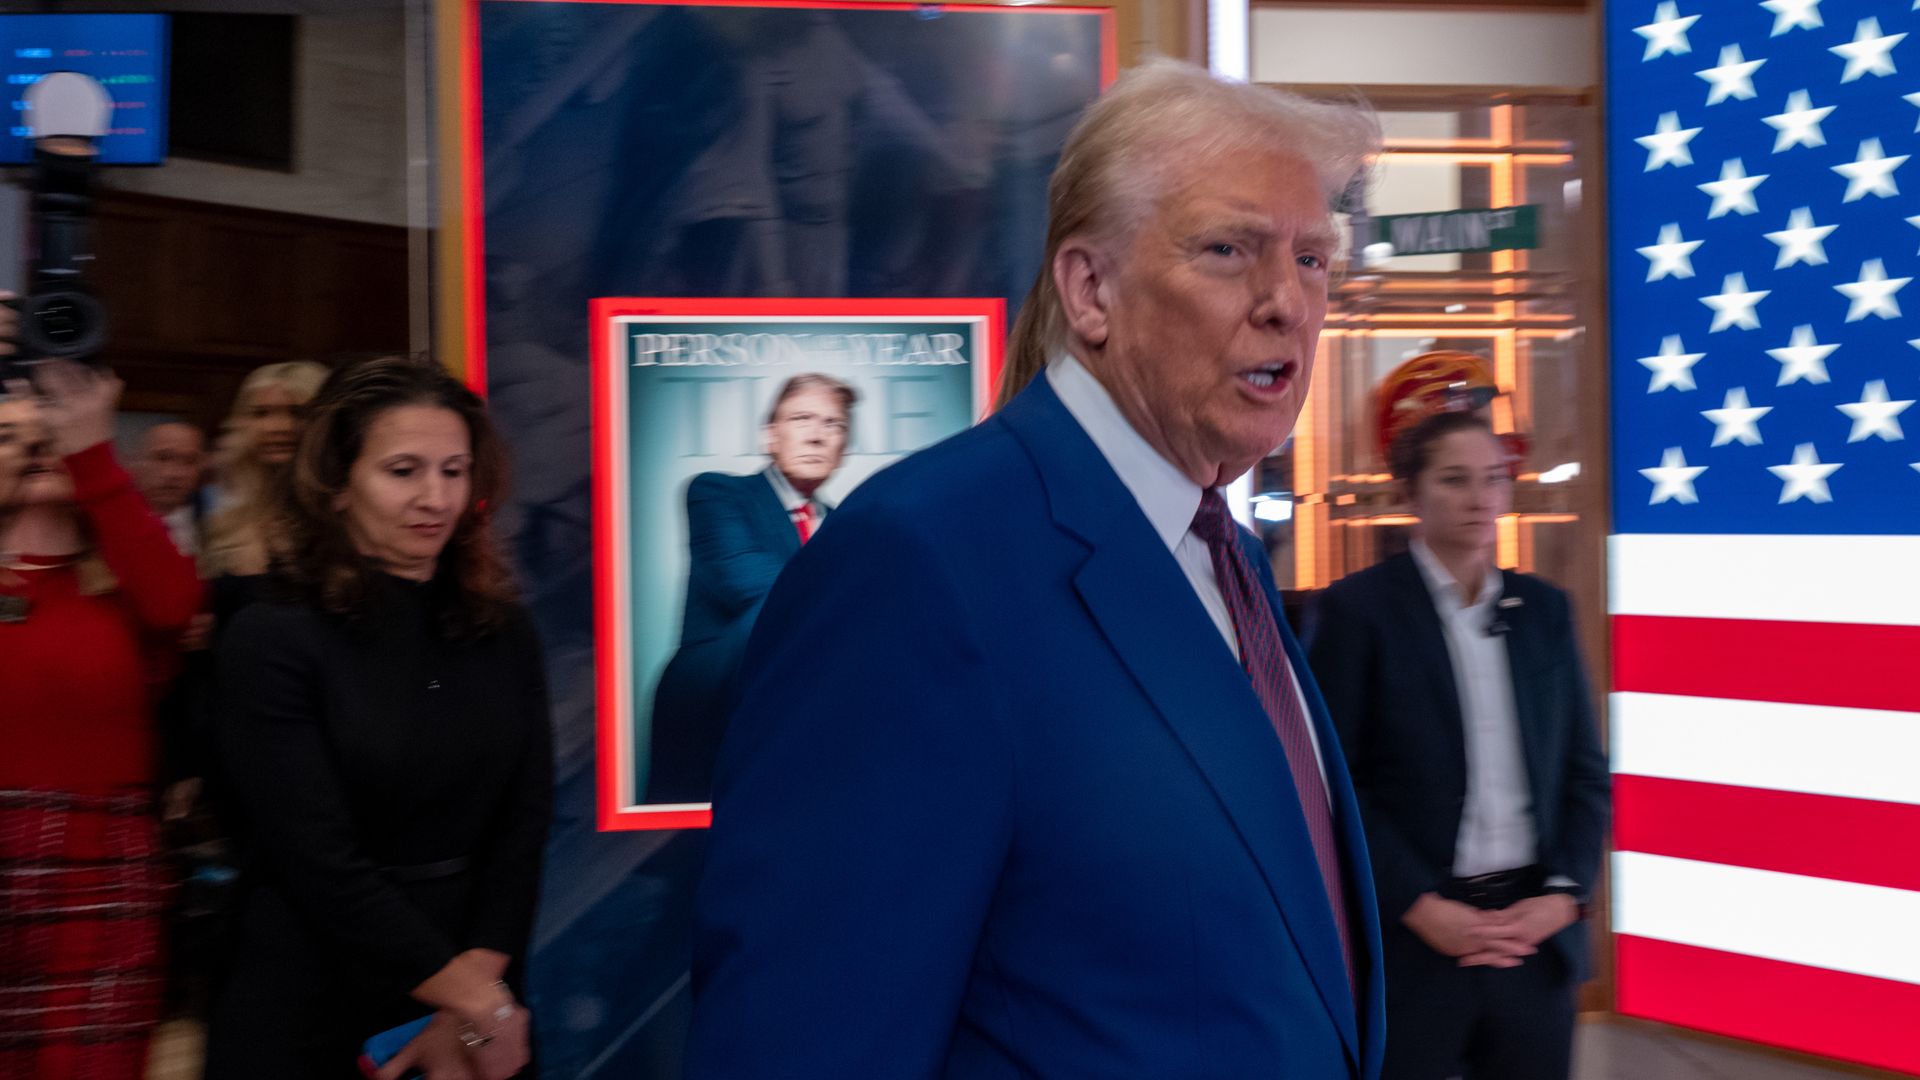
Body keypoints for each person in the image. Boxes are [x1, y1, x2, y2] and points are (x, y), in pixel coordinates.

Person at [687, 60, 1385, 1078]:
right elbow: (803, 1041)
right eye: (1231, 250)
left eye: (1314, 259)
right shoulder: (915, 564)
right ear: (1090, 288)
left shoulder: (1220, 547)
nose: (1288, 302)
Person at [204, 356, 552, 1080]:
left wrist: (476, 997)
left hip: (475, 979)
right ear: (335, 485)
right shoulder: (271, 634)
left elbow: (524, 823)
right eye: (403, 471)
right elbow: (316, 859)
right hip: (314, 983)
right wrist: (471, 1000)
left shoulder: (502, 628)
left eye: (454, 471)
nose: (435, 497)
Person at [1305, 410, 1610, 1080]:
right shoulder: (1358, 611)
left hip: (1533, 936)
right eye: (1455, 480)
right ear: (1410, 493)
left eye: (1494, 479)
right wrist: (1419, 905)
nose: (1480, 498)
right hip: (1417, 937)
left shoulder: (1545, 610)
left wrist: (1564, 895)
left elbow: (1585, 773)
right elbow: (1333, 782)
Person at [0, 362, 204, 1077]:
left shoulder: (124, 586)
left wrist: (91, 452)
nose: (36, 447)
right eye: (12, 435)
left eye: (51, 432)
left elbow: (177, 605)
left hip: (98, 876)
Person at [647, 372, 855, 803]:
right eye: (801, 418)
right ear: (770, 436)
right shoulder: (717, 493)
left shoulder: (852, 528)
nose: (817, 436)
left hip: (812, 722)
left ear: (843, 448)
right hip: (715, 708)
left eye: (832, 424)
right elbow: (745, 583)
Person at [201, 360, 329, 578]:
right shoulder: (228, 521)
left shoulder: (341, 523)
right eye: (261, 413)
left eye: (296, 412)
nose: (277, 427)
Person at [132, 420, 210, 558]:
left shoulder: (215, 526)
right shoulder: (107, 524)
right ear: (136, 461)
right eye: (162, 458)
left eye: (189, 461)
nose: (174, 474)